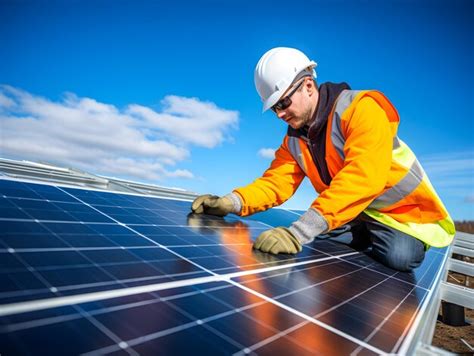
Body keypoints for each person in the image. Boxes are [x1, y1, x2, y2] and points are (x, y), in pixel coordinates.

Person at [191, 47, 455, 272]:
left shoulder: (360, 110)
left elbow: (363, 178)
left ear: (308, 86)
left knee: (399, 256)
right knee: (322, 238)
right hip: (354, 214)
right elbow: (275, 184)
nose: (279, 115)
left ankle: (379, 237)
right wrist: (231, 202)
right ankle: (359, 233)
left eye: (283, 103)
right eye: (274, 109)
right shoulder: (295, 140)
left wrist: (298, 233)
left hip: (402, 215)